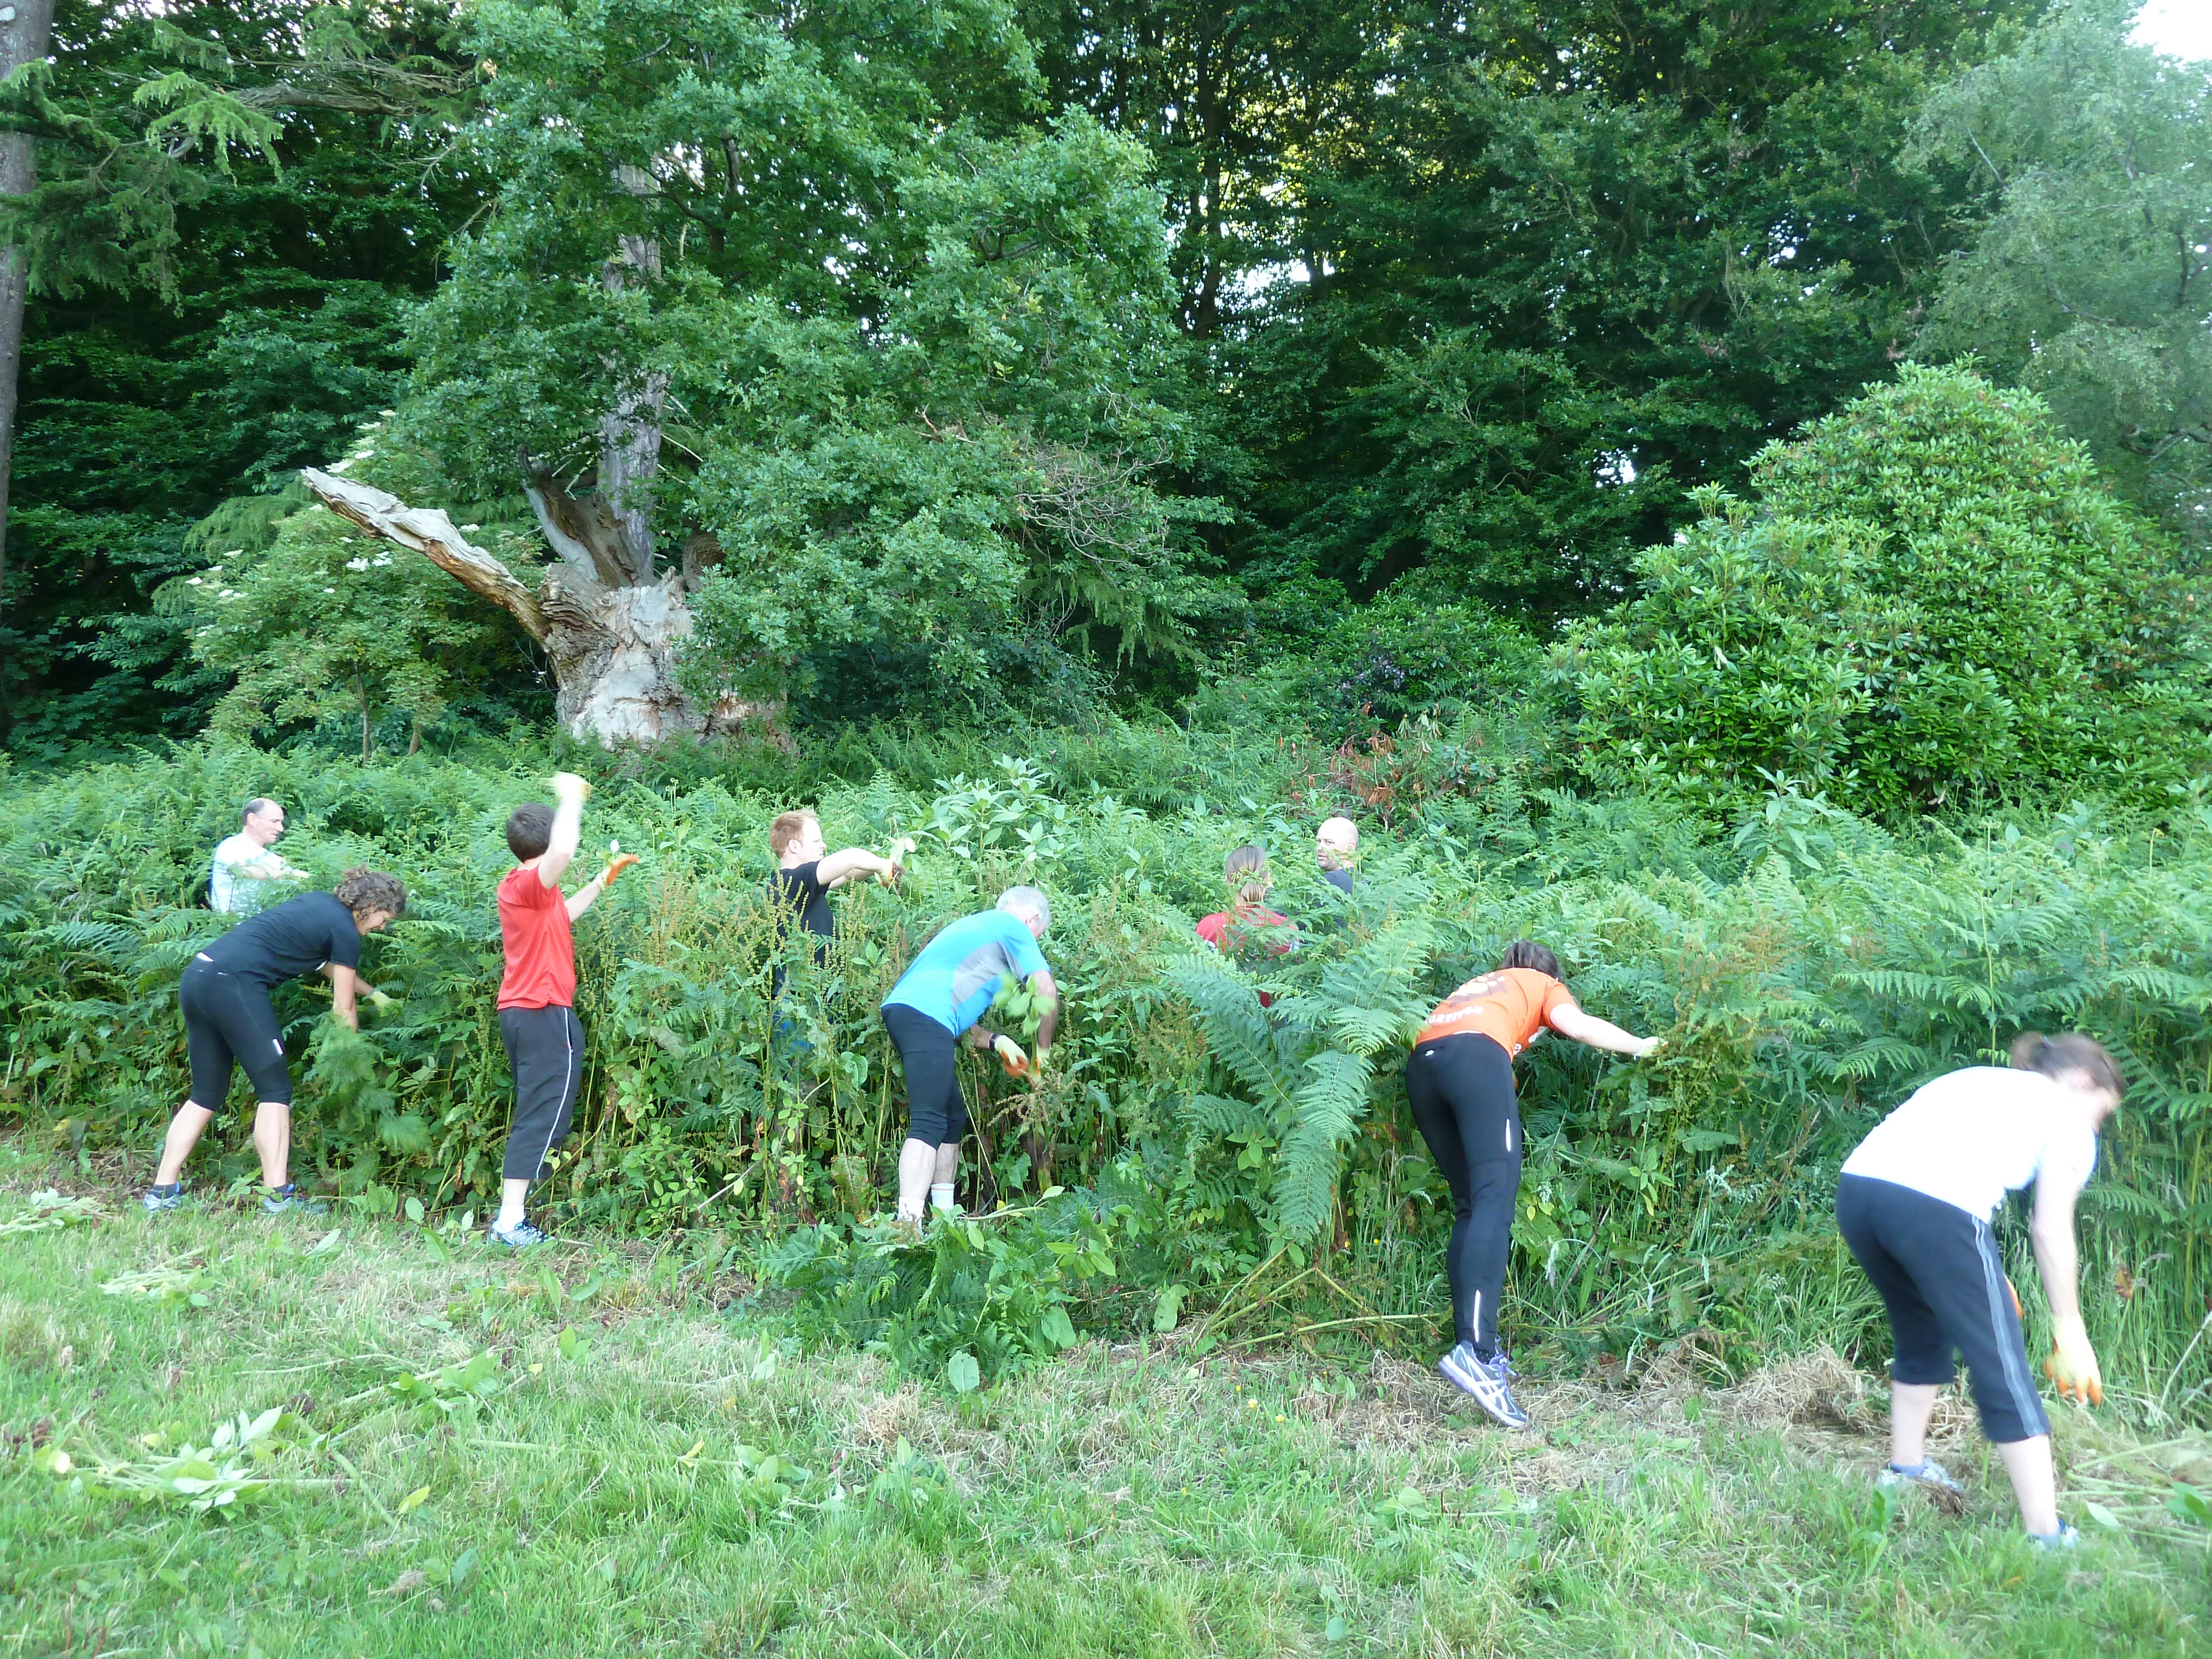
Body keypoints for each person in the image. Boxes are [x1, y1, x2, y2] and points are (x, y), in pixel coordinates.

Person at [1836, 1032, 2122, 1550]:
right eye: (2102, 1112)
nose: (2097, 1124)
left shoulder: (1977, 1080)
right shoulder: (2070, 1120)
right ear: (2084, 1080)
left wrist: (1974, 1270)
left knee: (1921, 1332)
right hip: (1935, 1212)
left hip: (1859, 1193)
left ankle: (1905, 1471)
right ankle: (2046, 1535)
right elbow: (2050, 1230)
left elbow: (1936, 1162)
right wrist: (2069, 1328)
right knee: (2003, 1365)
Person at [1406, 940, 1660, 1427]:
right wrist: (1641, 1046)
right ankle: (1476, 1355)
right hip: (1474, 1059)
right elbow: (1576, 1025)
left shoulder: (1485, 985)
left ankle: (1475, 1345)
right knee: (1494, 1203)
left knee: (1470, 1205)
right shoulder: (1542, 983)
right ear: (1549, 974)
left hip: (1424, 1062)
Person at [144, 867, 408, 1214]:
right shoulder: (346, 931)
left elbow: (328, 966)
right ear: (370, 903)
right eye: (384, 919)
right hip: (233, 985)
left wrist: (375, 994)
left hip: (199, 977)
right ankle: (278, 1196)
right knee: (275, 1091)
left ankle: (161, 1193)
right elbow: (343, 1006)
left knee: (205, 1094)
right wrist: (351, 1054)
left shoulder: (318, 905)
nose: (382, 928)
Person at [491, 771, 637, 1249]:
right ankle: (510, 1223)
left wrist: (600, 882)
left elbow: (563, 918)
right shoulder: (528, 883)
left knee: (537, 1111)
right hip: (542, 1012)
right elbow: (564, 853)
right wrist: (572, 798)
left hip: (523, 1012)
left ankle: (511, 1219)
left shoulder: (531, 892)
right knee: (542, 1114)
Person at [879, 886, 1058, 1223]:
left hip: (910, 1012)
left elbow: (954, 1009)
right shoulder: (1014, 927)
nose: (1033, 943)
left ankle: (945, 1220)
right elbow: (1046, 992)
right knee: (929, 1120)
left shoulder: (972, 928)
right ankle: (907, 1227)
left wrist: (996, 1041)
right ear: (1031, 919)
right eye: (1038, 935)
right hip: (926, 1017)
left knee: (951, 1117)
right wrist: (1042, 1058)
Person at [764, 809, 902, 994]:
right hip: (797, 1002)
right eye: (816, 841)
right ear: (794, 846)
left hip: (818, 994)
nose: (823, 845)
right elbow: (851, 858)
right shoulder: (788, 882)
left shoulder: (802, 884)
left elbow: (847, 874)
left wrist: (879, 868)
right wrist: (884, 866)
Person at [1196, 846, 1296, 1003]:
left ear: (1228, 880)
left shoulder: (1208, 926)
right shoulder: (1288, 929)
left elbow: (1197, 984)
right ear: (1268, 879)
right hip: (1270, 1023)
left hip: (1218, 1020)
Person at [210, 797, 308, 915]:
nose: (280, 828)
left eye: (281, 823)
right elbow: (245, 870)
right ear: (252, 819)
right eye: (274, 821)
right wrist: (292, 875)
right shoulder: (231, 846)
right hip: (233, 927)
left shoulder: (272, 857)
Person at [1316, 816, 1359, 894]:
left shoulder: (1331, 881)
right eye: (1319, 841)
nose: (1319, 848)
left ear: (1350, 848)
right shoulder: (1360, 881)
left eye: (1329, 842)